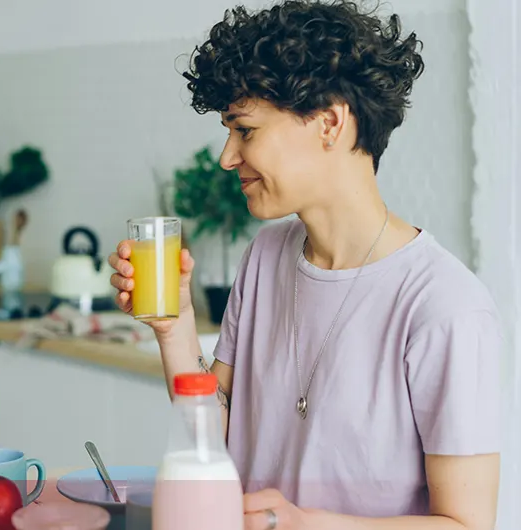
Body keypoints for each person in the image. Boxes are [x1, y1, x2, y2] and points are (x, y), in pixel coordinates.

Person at [110, 2, 501, 529]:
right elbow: (214, 435)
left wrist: (304, 524)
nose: (227, 156)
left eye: (245, 130)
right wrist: (173, 325)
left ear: (330, 124)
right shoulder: (265, 257)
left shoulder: (444, 305)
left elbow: (468, 523)